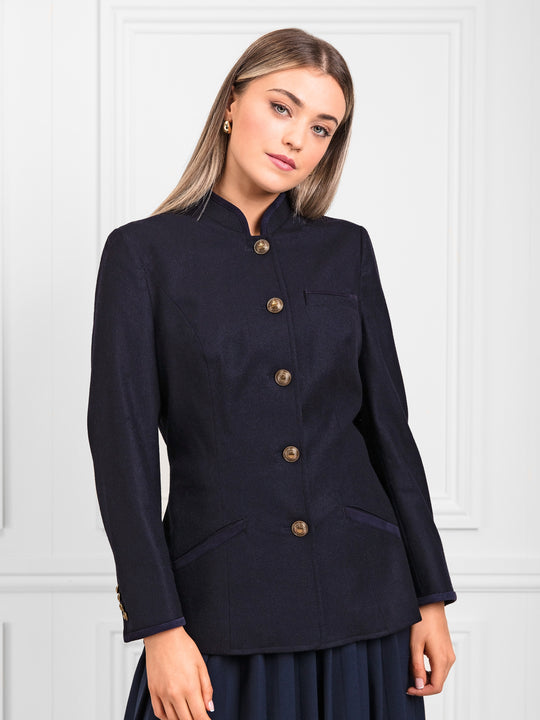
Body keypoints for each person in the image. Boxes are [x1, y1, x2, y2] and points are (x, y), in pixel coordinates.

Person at [87, 27, 457, 720]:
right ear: (232, 104)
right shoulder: (144, 255)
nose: (297, 139)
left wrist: (430, 597)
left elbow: (388, 432)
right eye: (281, 107)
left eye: (321, 128)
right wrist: (159, 625)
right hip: (223, 605)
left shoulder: (346, 250)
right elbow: (122, 453)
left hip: (367, 602)